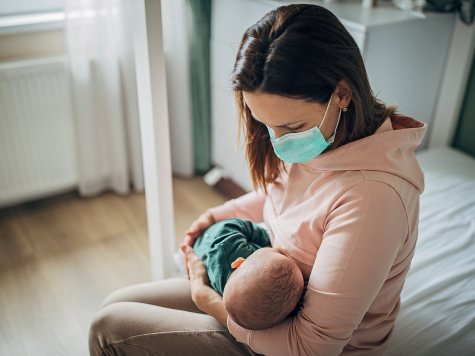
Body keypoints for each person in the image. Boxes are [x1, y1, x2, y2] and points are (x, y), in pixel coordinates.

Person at [88, 4, 427, 356]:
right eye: (266, 124)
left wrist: (210, 303)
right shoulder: (326, 138)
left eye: (292, 128)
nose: (279, 143)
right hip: (260, 298)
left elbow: (311, 346)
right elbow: (281, 199)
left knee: (108, 330)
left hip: (297, 343)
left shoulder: (373, 198)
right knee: (114, 302)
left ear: (342, 93)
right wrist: (215, 216)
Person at [185, 218, 305, 330]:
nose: (280, 249)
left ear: (239, 262)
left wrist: (265, 238)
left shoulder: (228, 250)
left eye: (277, 252)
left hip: (202, 243)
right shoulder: (244, 303)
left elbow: (229, 226)